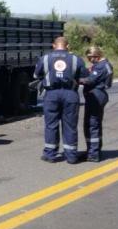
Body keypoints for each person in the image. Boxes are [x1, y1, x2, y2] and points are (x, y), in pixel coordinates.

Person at [33, 36, 86, 164]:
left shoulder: (45, 58)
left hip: (51, 94)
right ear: (67, 46)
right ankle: (71, 156)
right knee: (70, 126)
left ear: (53, 45)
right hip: (70, 94)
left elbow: (36, 75)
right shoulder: (76, 59)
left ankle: (50, 154)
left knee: (51, 125)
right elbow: (83, 78)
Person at [80, 46, 113, 162]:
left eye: (90, 58)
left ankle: (93, 154)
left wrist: (76, 80)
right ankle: (95, 150)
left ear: (96, 56)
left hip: (96, 95)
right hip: (100, 95)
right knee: (95, 124)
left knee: (91, 125)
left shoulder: (100, 67)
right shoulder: (106, 64)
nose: (89, 60)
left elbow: (90, 80)